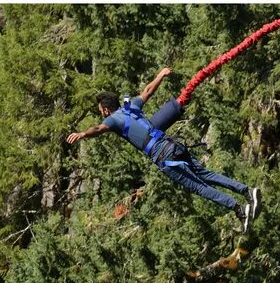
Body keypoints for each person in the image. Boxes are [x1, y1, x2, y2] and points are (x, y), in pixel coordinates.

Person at [66, 67, 262, 233]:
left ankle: (240, 209)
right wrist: (160, 75)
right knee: (206, 174)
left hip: (162, 154)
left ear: (106, 110)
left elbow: (98, 129)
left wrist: (83, 133)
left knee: (198, 186)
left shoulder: (112, 120)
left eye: (101, 112)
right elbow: (148, 91)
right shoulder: (131, 106)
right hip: (172, 144)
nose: (102, 115)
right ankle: (247, 191)